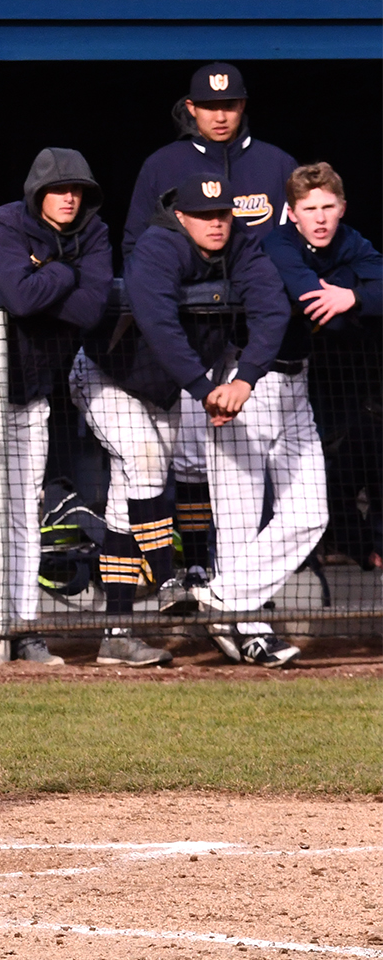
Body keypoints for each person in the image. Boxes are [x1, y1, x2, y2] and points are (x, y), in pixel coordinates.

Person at [74, 173, 291, 666]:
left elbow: (272, 308)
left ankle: (116, 633)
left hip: (165, 387)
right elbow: (159, 324)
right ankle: (168, 575)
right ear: (180, 215)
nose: (216, 225)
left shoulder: (239, 243)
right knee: (146, 462)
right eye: (204, 215)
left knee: (124, 501)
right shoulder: (159, 245)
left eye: (223, 215)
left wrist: (245, 380)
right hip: (108, 375)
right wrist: (205, 389)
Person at [123, 62, 299, 581]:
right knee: (179, 461)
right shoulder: (163, 164)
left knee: (253, 469)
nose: (221, 116)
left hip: (258, 347)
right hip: (189, 342)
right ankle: (194, 571)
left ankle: (240, 579)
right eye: (211, 106)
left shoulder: (275, 163)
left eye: (231, 105)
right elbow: (136, 249)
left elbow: (292, 249)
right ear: (191, 108)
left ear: (243, 107)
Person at [0, 149, 113, 667]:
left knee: (21, 513)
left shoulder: (95, 233)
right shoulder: (6, 222)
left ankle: (22, 628)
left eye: (77, 189)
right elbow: (17, 298)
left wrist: (49, 276)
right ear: (37, 192)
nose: (69, 197)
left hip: (33, 391)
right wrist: (66, 274)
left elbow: (91, 307)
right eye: (59, 189)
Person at [264, 164, 382, 573]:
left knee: (354, 456)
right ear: (292, 214)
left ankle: (357, 547)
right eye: (309, 208)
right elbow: (317, 307)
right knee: (279, 478)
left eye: (328, 206)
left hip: (339, 375)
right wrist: (361, 300)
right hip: (272, 375)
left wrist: (352, 295)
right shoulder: (278, 243)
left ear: (342, 208)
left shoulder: (352, 240)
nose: (319, 217)